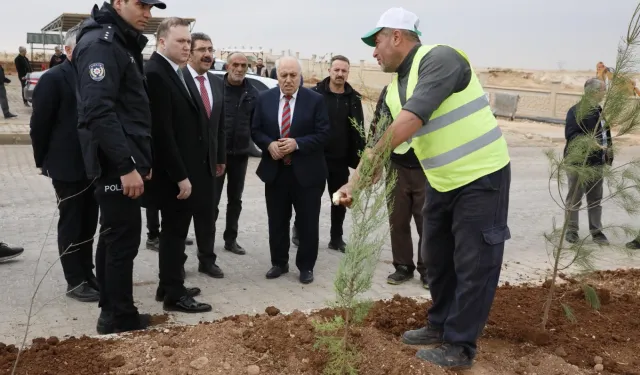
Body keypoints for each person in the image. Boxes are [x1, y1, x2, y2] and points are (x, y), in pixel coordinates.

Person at [334, 7, 511, 370]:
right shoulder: (393, 89)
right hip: (443, 182)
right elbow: (376, 141)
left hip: (482, 178)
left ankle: (460, 346)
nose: (373, 51)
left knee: (474, 263)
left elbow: (410, 121)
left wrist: (371, 167)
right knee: (437, 257)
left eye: (377, 41)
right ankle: (439, 324)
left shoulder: (441, 59)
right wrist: (353, 183)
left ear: (397, 36)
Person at [73, 0, 166, 334]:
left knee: (113, 238)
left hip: (123, 162)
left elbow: (131, 112)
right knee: (123, 240)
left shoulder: (119, 42)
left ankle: (112, 310)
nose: (148, 13)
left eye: (152, 7)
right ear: (119, 3)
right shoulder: (102, 43)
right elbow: (98, 110)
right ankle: (118, 316)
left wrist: (142, 161)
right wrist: (127, 166)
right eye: (141, 4)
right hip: (115, 166)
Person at [145, 21, 221, 313]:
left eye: (189, 41)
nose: (187, 47)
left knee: (174, 233)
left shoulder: (170, 71)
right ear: (162, 43)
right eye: (181, 42)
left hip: (184, 169)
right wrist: (180, 176)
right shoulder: (156, 74)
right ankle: (174, 296)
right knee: (174, 234)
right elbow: (162, 133)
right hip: (173, 175)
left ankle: (169, 284)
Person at [30, 26, 100, 303]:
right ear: (69, 50)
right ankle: (75, 280)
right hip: (66, 165)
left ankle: (88, 273)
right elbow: (40, 125)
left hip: (92, 164)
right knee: (71, 223)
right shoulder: (54, 78)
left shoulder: (92, 76)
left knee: (89, 223)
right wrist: (43, 160)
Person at [251, 56, 330, 284]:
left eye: (292, 75)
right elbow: (255, 130)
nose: (288, 80)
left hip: (307, 173)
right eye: (283, 75)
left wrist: (298, 144)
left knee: (307, 222)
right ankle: (279, 262)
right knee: (277, 221)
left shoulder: (315, 100)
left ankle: (306, 267)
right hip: (276, 172)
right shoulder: (265, 99)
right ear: (277, 76)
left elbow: (324, 134)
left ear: (300, 76)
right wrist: (268, 144)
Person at [291, 55, 365, 252]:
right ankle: (300, 229)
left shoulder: (354, 99)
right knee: (308, 198)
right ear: (329, 71)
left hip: (339, 160)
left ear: (348, 73)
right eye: (336, 70)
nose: (340, 74)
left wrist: (360, 159)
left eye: (344, 71)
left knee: (339, 199)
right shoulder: (314, 94)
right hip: (315, 157)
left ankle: (336, 238)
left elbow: (359, 131)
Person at [368, 84, 427, 287]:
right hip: (396, 164)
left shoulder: (429, 87)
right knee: (398, 219)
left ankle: (428, 269)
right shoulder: (390, 89)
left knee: (426, 222)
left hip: (426, 166)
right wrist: (374, 161)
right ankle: (403, 266)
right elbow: (379, 123)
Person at [181, 32, 227, 277]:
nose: (208, 54)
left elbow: (219, 126)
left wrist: (220, 157)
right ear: (189, 53)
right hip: (184, 165)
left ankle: (207, 260)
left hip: (210, 165)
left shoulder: (218, 82)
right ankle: (176, 262)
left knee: (208, 215)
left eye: (211, 49)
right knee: (181, 216)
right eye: (202, 49)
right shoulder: (178, 80)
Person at [213, 52, 259, 256]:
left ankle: (230, 239)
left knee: (235, 199)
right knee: (211, 200)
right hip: (217, 155)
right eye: (235, 64)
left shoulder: (253, 92)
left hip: (240, 154)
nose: (239, 69)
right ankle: (206, 240)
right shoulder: (215, 87)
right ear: (227, 66)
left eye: (243, 65)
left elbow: (257, 123)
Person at [564, 78, 611, 246]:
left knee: (595, 199)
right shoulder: (576, 111)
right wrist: (589, 141)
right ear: (593, 92)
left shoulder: (599, 110)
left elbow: (605, 134)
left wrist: (608, 153)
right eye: (603, 90)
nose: (604, 93)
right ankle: (571, 231)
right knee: (574, 199)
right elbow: (571, 135)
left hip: (597, 164)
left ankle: (596, 232)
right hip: (579, 163)